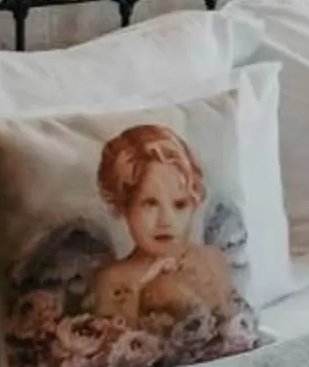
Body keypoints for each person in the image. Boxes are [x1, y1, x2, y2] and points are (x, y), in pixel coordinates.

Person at [85, 123, 238, 327]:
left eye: (180, 204)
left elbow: (231, 323)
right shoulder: (115, 280)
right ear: (124, 206)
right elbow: (115, 347)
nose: (165, 221)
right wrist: (140, 292)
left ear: (194, 205)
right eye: (150, 204)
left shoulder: (211, 261)